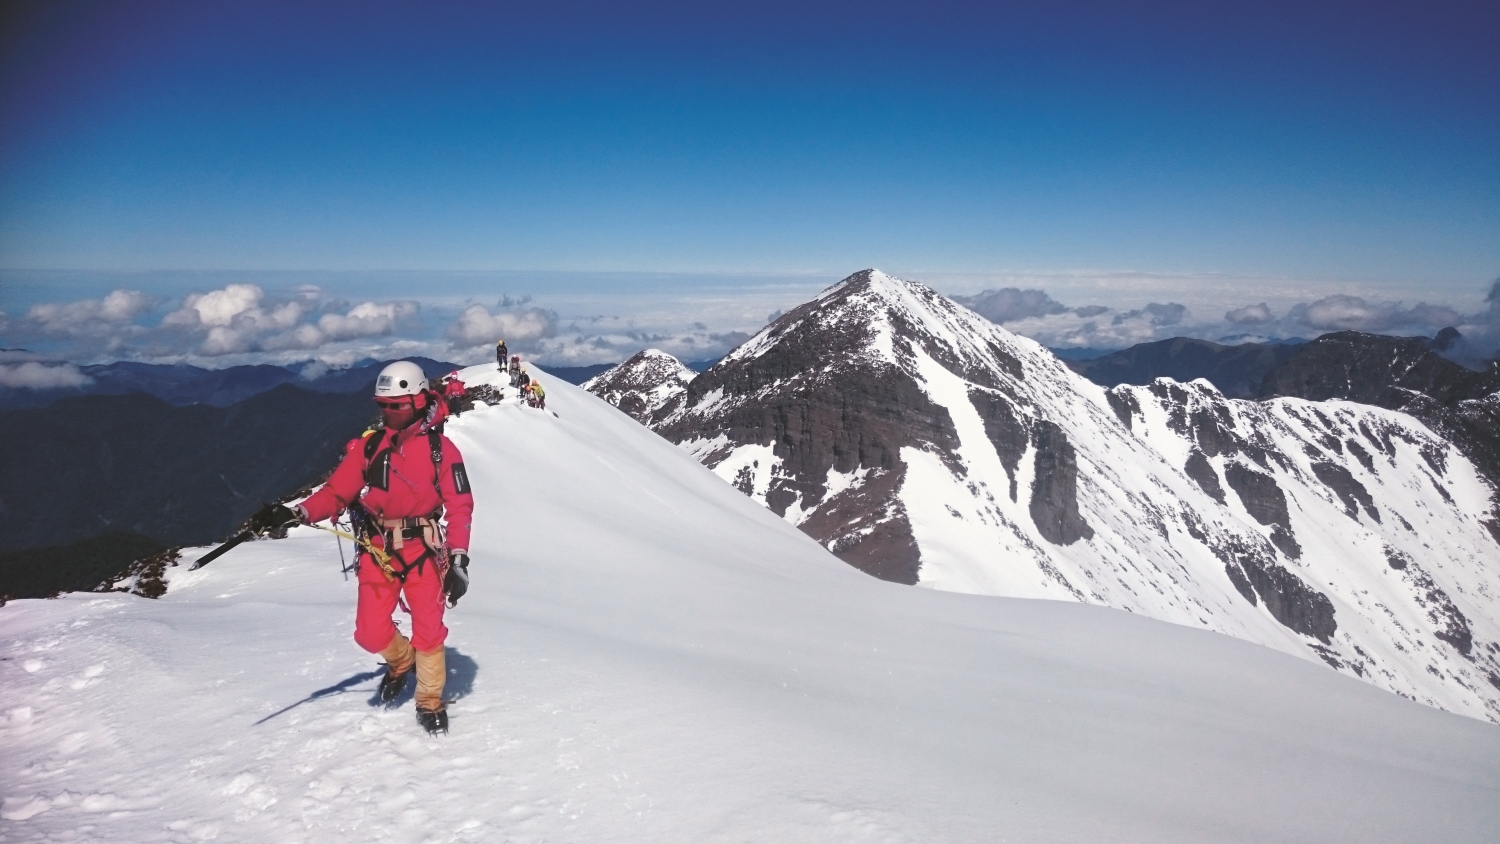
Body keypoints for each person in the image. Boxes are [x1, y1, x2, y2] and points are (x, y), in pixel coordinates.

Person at [249, 361, 474, 735]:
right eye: (383, 405)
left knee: (429, 629)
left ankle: (429, 700)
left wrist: (459, 558)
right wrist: (296, 512)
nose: (388, 412)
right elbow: (336, 493)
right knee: (369, 632)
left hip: (422, 550)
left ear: (419, 400)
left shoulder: (442, 450)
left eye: (396, 405)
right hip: (378, 549)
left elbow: (461, 504)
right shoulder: (370, 446)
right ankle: (402, 660)